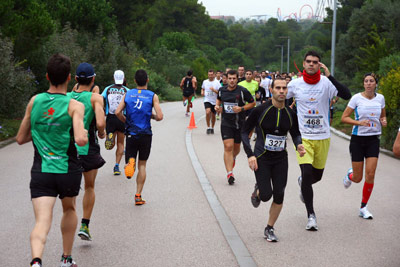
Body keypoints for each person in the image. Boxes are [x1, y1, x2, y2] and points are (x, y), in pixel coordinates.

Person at [16, 53, 88, 267]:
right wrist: (82, 132)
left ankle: (36, 261)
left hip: (42, 171)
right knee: (69, 210)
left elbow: (20, 138)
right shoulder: (74, 105)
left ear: (47, 76)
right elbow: (80, 139)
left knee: (42, 221)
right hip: (67, 170)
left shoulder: (34, 101)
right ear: (69, 78)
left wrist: (41, 133)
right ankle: (66, 258)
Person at [287, 50, 351, 230]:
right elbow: (280, 99)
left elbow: (346, 94)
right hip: (303, 137)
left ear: (320, 65)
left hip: (323, 136)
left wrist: (330, 76)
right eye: (308, 61)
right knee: (307, 174)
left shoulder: (326, 83)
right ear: (304, 63)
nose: (311, 64)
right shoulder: (295, 84)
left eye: (315, 62)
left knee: (317, 176)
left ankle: (302, 182)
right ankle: (311, 216)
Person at [242, 78, 305, 242]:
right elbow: (244, 132)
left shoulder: (290, 114)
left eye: (284, 88)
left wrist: (299, 145)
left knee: (279, 195)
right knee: (265, 196)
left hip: (280, 159)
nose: (282, 91)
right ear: (271, 90)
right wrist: (250, 154)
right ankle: (258, 191)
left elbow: (296, 133)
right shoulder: (261, 110)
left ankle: (269, 228)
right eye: (278, 88)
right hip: (261, 157)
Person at [68, 62, 106, 241]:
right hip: (88, 148)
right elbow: (100, 123)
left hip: (69, 148)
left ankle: (70, 224)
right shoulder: (95, 98)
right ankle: (84, 225)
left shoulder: (67, 97)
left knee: (71, 191)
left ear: (75, 79)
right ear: (93, 79)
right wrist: (101, 132)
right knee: (89, 187)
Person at [341, 73, 386, 219]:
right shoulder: (356, 98)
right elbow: (344, 118)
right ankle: (350, 175)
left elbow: (382, 116)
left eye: (371, 81)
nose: (368, 83)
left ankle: (363, 207)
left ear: (375, 84)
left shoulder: (380, 98)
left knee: (371, 174)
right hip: (358, 140)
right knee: (358, 178)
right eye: (366, 81)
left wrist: (384, 121)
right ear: (363, 84)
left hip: (373, 140)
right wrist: (359, 122)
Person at [115, 69, 163, 205]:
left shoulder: (128, 94)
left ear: (135, 81)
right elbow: (159, 116)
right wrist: (151, 116)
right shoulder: (152, 96)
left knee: (131, 158)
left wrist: (125, 120)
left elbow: (118, 112)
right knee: (142, 164)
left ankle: (130, 162)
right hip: (145, 134)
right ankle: (138, 195)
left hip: (131, 132)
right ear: (147, 80)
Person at [215, 70, 255, 185]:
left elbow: (252, 103)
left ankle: (233, 158)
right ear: (226, 79)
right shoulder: (222, 90)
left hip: (239, 123)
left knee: (236, 149)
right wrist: (217, 106)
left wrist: (241, 109)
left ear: (237, 79)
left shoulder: (242, 91)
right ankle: (230, 173)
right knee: (228, 146)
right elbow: (218, 99)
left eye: (234, 78)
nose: (232, 80)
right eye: (230, 78)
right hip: (226, 123)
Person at [102, 70, 129, 175]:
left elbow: (100, 98)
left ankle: (110, 137)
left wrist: (103, 109)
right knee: (121, 143)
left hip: (110, 117)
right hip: (122, 117)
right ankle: (117, 166)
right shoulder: (127, 90)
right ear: (123, 78)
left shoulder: (108, 89)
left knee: (111, 145)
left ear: (114, 78)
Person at [201, 69, 221, 134]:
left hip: (215, 101)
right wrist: (202, 92)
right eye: (209, 75)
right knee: (207, 112)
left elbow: (220, 92)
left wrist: (214, 90)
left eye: (211, 75)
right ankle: (208, 127)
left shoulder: (217, 83)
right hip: (207, 100)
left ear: (214, 75)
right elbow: (203, 88)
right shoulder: (205, 81)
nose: (210, 76)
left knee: (213, 115)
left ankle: (212, 127)